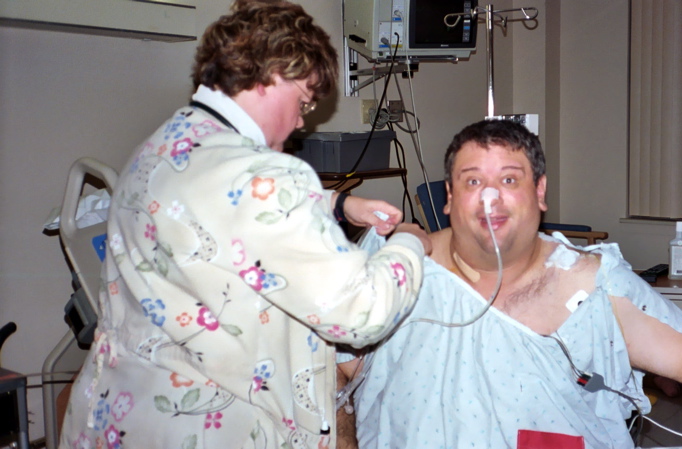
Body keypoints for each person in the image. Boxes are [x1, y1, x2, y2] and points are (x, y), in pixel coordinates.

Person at [58, 2, 431, 449]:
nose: (301, 120)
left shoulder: (163, 145)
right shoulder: (268, 176)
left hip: (119, 412)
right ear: (277, 72)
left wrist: (337, 205)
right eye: (305, 101)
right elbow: (360, 313)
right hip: (208, 424)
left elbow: (211, 211)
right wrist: (409, 246)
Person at [337, 120, 682, 449]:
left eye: (509, 179)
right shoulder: (396, 266)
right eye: (473, 180)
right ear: (450, 196)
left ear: (540, 192)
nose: (490, 196)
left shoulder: (590, 284)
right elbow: (335, 370)